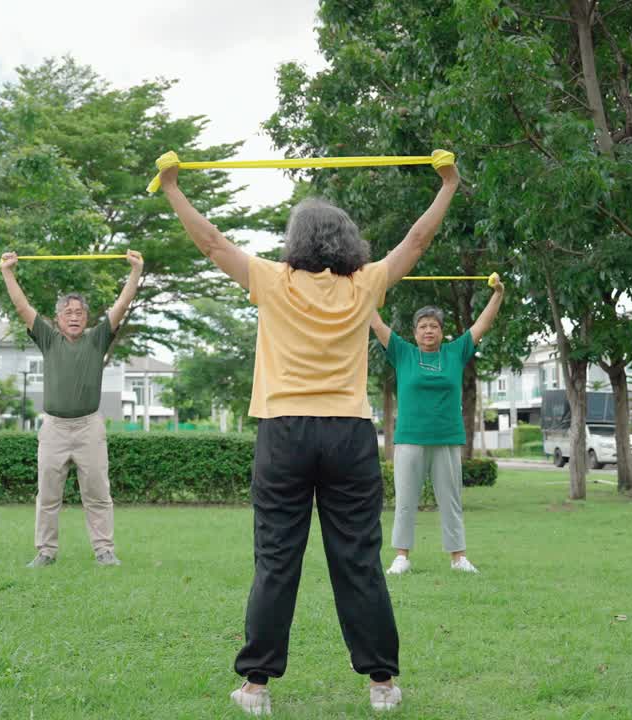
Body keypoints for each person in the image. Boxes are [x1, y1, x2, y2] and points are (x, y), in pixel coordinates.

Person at [158, 150, 459, 714]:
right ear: (348, 243)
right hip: (349, 434)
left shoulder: (273, 281)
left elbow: (213, 244)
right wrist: (447, 184)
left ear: (296, 241)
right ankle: (382, 684)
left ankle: (255, 687)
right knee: (359, 559)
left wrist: (173, 187)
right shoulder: (365, 283)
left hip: (285, 433)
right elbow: (416, 242)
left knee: (276, 557)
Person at [0, 249, 144, 568]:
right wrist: (8, 272)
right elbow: (22, 307)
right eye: (68, 311)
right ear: (57, 318)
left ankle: (104, 550)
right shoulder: (49, 339)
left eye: (79, 311)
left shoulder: (97, 339)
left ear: (87, 317)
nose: (74, 315)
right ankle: (46, 552)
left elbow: (121, 306)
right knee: (48, 495)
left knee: (97, 493)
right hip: (54, 429)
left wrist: (135, 271)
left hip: (89, 427)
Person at [370, 282, 504, 577]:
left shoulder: (454, 353)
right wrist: (365, 290)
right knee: (405, 500)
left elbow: (482, 323)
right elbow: (376, 322)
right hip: (409, 439)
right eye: (422, 326)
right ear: (414, 332)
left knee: (451, 501)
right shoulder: (402, 353)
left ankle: (458, 558)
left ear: (441, 332)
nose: (428, 331)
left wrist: (497, 295)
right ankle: (402, 557)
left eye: (433, 326)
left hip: (446, 439)